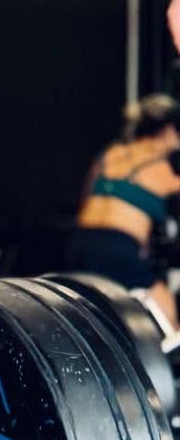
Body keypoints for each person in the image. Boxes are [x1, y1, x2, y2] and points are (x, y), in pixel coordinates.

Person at [66, 95, 180, 329]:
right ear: (168, 131)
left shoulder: (110, 154)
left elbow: (87, 199)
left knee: (94, 315)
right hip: (117, 247)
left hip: (80, 242)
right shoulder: (161, 166)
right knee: (165, 308)